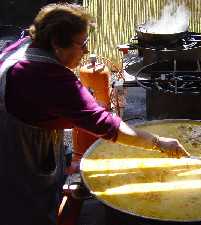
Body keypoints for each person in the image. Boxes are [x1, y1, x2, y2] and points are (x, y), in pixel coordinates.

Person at [0, 3, 189, 225]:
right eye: (82, 44)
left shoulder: (23, 47)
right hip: (17, 166)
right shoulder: (44, 75)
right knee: (27, 212)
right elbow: (103, 123)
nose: (87, 51)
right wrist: (158, 142)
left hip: (17, 145)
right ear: (56, 43)